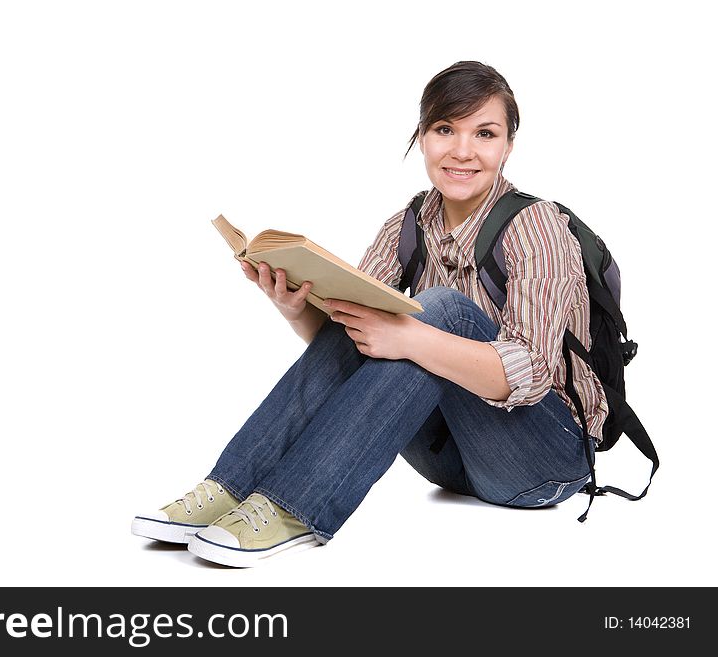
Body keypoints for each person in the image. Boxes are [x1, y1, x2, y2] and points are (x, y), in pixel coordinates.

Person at [132, 60, 608, 568]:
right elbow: (354, 343)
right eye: (445, 129)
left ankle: (291, 507)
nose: (463, 151)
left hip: (544, 461)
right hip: (451, 461)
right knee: (365, 308)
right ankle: (230, 487)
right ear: (422, 137)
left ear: (508, 146)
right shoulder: (405, 223)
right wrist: (294, 308)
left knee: (438, 310)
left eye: (484, 134)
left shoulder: (537, 227)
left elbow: (531, 377)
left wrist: (409, 338)